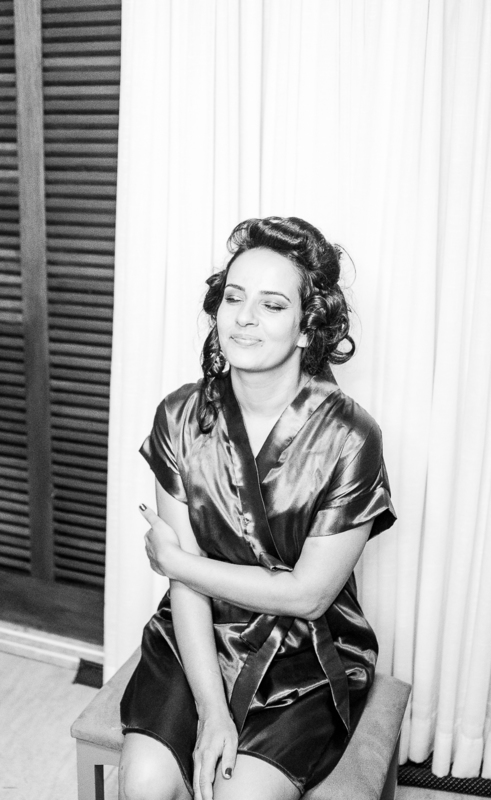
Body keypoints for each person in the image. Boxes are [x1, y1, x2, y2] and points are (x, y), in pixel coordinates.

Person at [119, 217, 396, 800]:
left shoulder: (351, 437)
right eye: (233, 297)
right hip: (195, 632)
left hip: (303, 653)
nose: (244, 317)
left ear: (307, 328)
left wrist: (177, 563)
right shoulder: (179, 416)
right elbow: (186, 590)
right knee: (144, 785)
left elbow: (308, 595)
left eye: (272, 305)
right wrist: (212, 710)